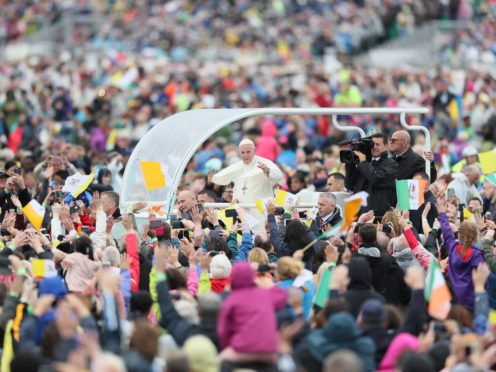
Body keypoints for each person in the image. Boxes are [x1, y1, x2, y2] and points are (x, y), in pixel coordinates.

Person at [211, 138, 284, 203]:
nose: (245, 155)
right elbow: (223, 177)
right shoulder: (237, 165)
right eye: (242, 152)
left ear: (254, 150)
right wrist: (213, 178)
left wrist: (268, 171)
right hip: (242, 210)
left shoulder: (264, 162)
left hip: (260, 210)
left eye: (248, 152)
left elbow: (280, 177)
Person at [344, 133, 398, 218]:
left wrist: (363, 162)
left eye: (378, 144)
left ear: (387, 146)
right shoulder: (364, 163)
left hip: (379, 216)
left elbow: (375, 178)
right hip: (358, 214)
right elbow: (349, 185)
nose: (374, 147)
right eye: (372, 144)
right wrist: (350, 163)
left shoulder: (391, 164)